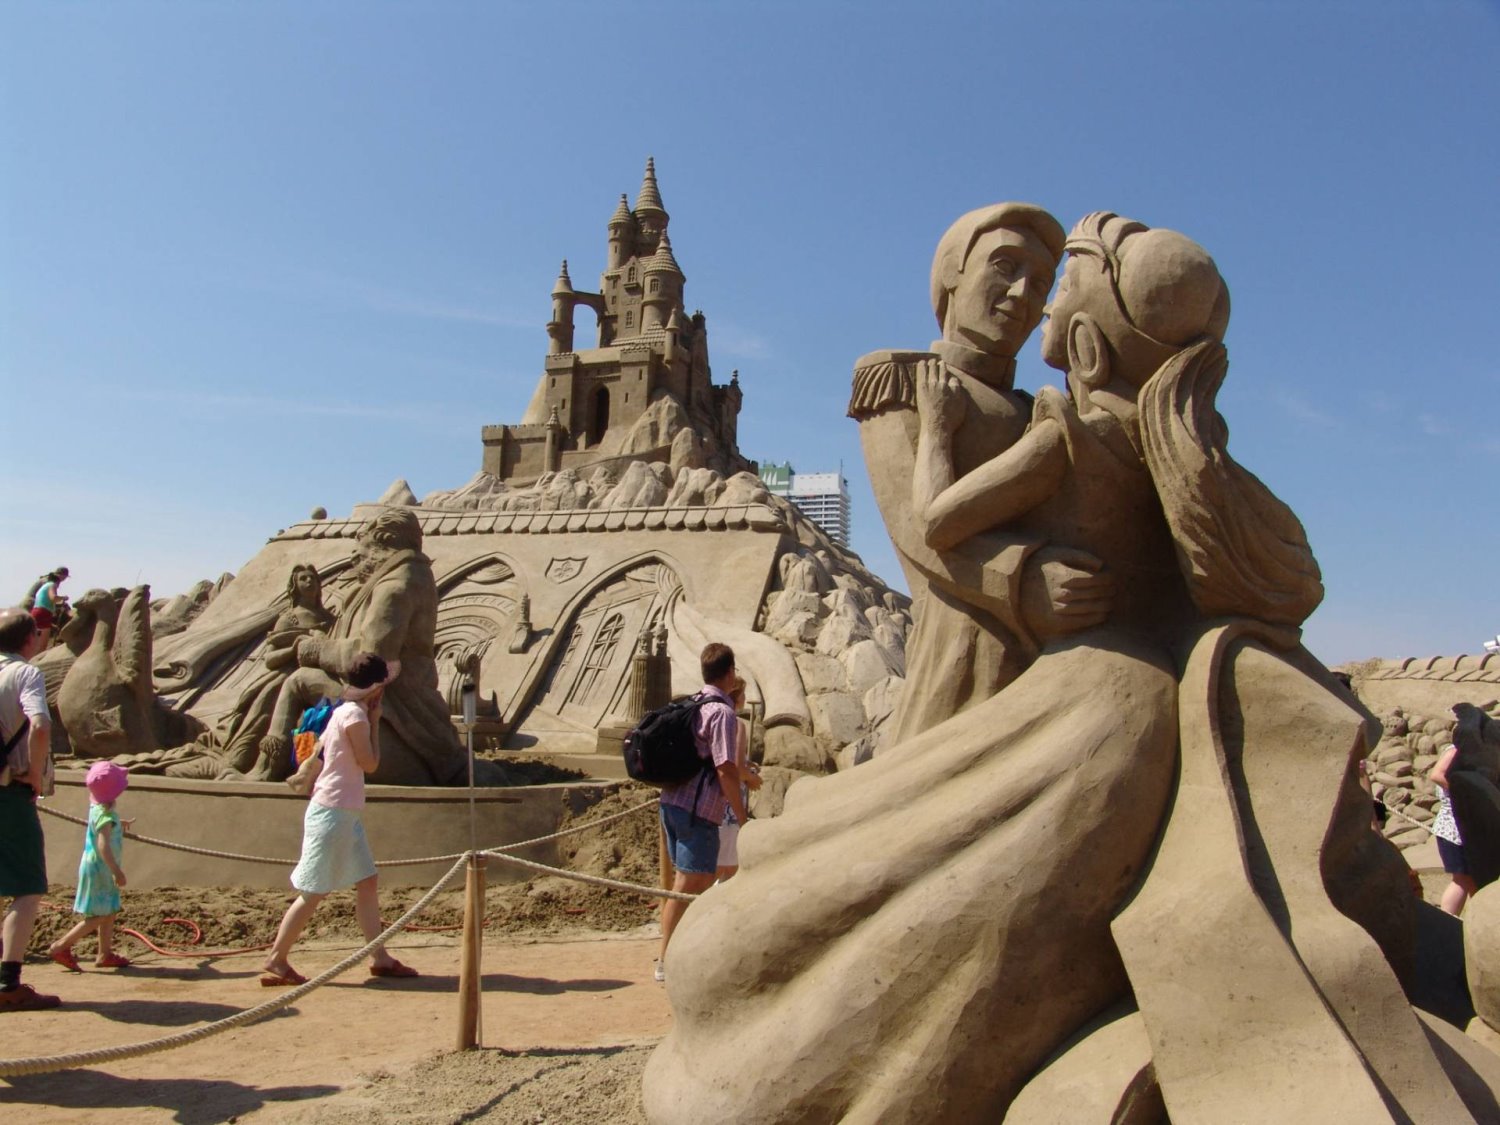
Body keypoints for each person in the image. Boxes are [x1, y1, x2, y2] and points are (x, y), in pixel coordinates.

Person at [254, 509, 467, 786]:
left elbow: (374, 657)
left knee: (298, 681)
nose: (356, 555)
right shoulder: (410, 576)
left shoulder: (396, 586)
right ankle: (292, 762)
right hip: (399, 699)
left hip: (397, 706)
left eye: (362, 544)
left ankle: (267, 769)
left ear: (383, 541)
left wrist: (316, 649)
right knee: (284, 687)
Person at [261, 652, 418, 986]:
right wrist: (375, 723)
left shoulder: (345, 711)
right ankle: (277, 958)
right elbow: (370, 763)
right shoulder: (355, 716)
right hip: (333, 811)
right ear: (376, 688)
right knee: (314, 891)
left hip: (342, 811)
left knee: (367, 880)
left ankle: (379, 957)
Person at [654, 643, 750, 983]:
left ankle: (680, 954)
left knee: (693, 883)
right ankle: (667, 959)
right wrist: (741, 816)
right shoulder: (722, 713)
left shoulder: (694, 703)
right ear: (730, 673)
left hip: (673, 801)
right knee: (690, 884)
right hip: (697, 810)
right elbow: (725, 769)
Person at [0, 608, 61, 1011]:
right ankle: (8, 983)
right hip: (9, 791)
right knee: (28, 886)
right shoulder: (25, 673)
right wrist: (35, 774)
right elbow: (39, 724)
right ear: (31, 638)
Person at [48, 762, 132, 970]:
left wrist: (118, 824)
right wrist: (117, 871)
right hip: (101, 869)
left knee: (109, 910)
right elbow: (103, 845)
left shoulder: (99, 810)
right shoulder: (105, 815)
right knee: (100, 914)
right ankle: (61, 946)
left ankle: (104, 954)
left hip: (96, 867)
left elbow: (100, 825)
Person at [714, 675, 761, 884]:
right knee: (726, 866)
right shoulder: (736, 724)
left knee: (725, 865)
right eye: (743, 693)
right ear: (736, 696)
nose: (745, 698)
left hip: (713, 801)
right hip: (730, 805)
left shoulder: (715, 718)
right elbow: (736, 768)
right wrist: (753, 779)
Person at [1431, 740, 1477, 915]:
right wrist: (1465, 791)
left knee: (1473, 879)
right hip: (1453, 828)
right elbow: (1437, 775)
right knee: (1461, 880)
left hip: (1466, 828)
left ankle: (1477, 919)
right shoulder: (1456, 750)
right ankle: (1447, 921)